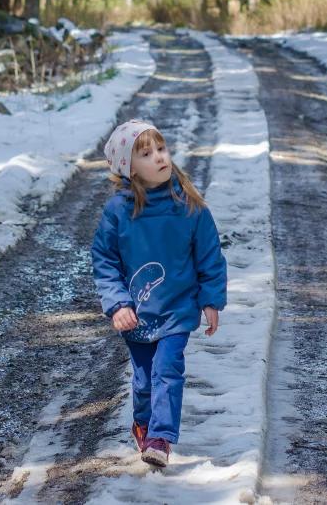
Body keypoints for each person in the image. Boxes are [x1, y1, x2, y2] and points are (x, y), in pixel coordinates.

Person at [91, 119, 228, 468]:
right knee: (143, 381)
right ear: (129, 168)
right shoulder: (118, 211)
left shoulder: (189, 205)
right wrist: (117, 303)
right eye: (146, 154)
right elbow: (104, 260)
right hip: (137, 310)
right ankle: (143, 423)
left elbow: (209, 254)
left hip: (178, 308)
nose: (159, 158)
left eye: (161, 149)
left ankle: (161, 438)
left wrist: (211, 300)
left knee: (167, 370)